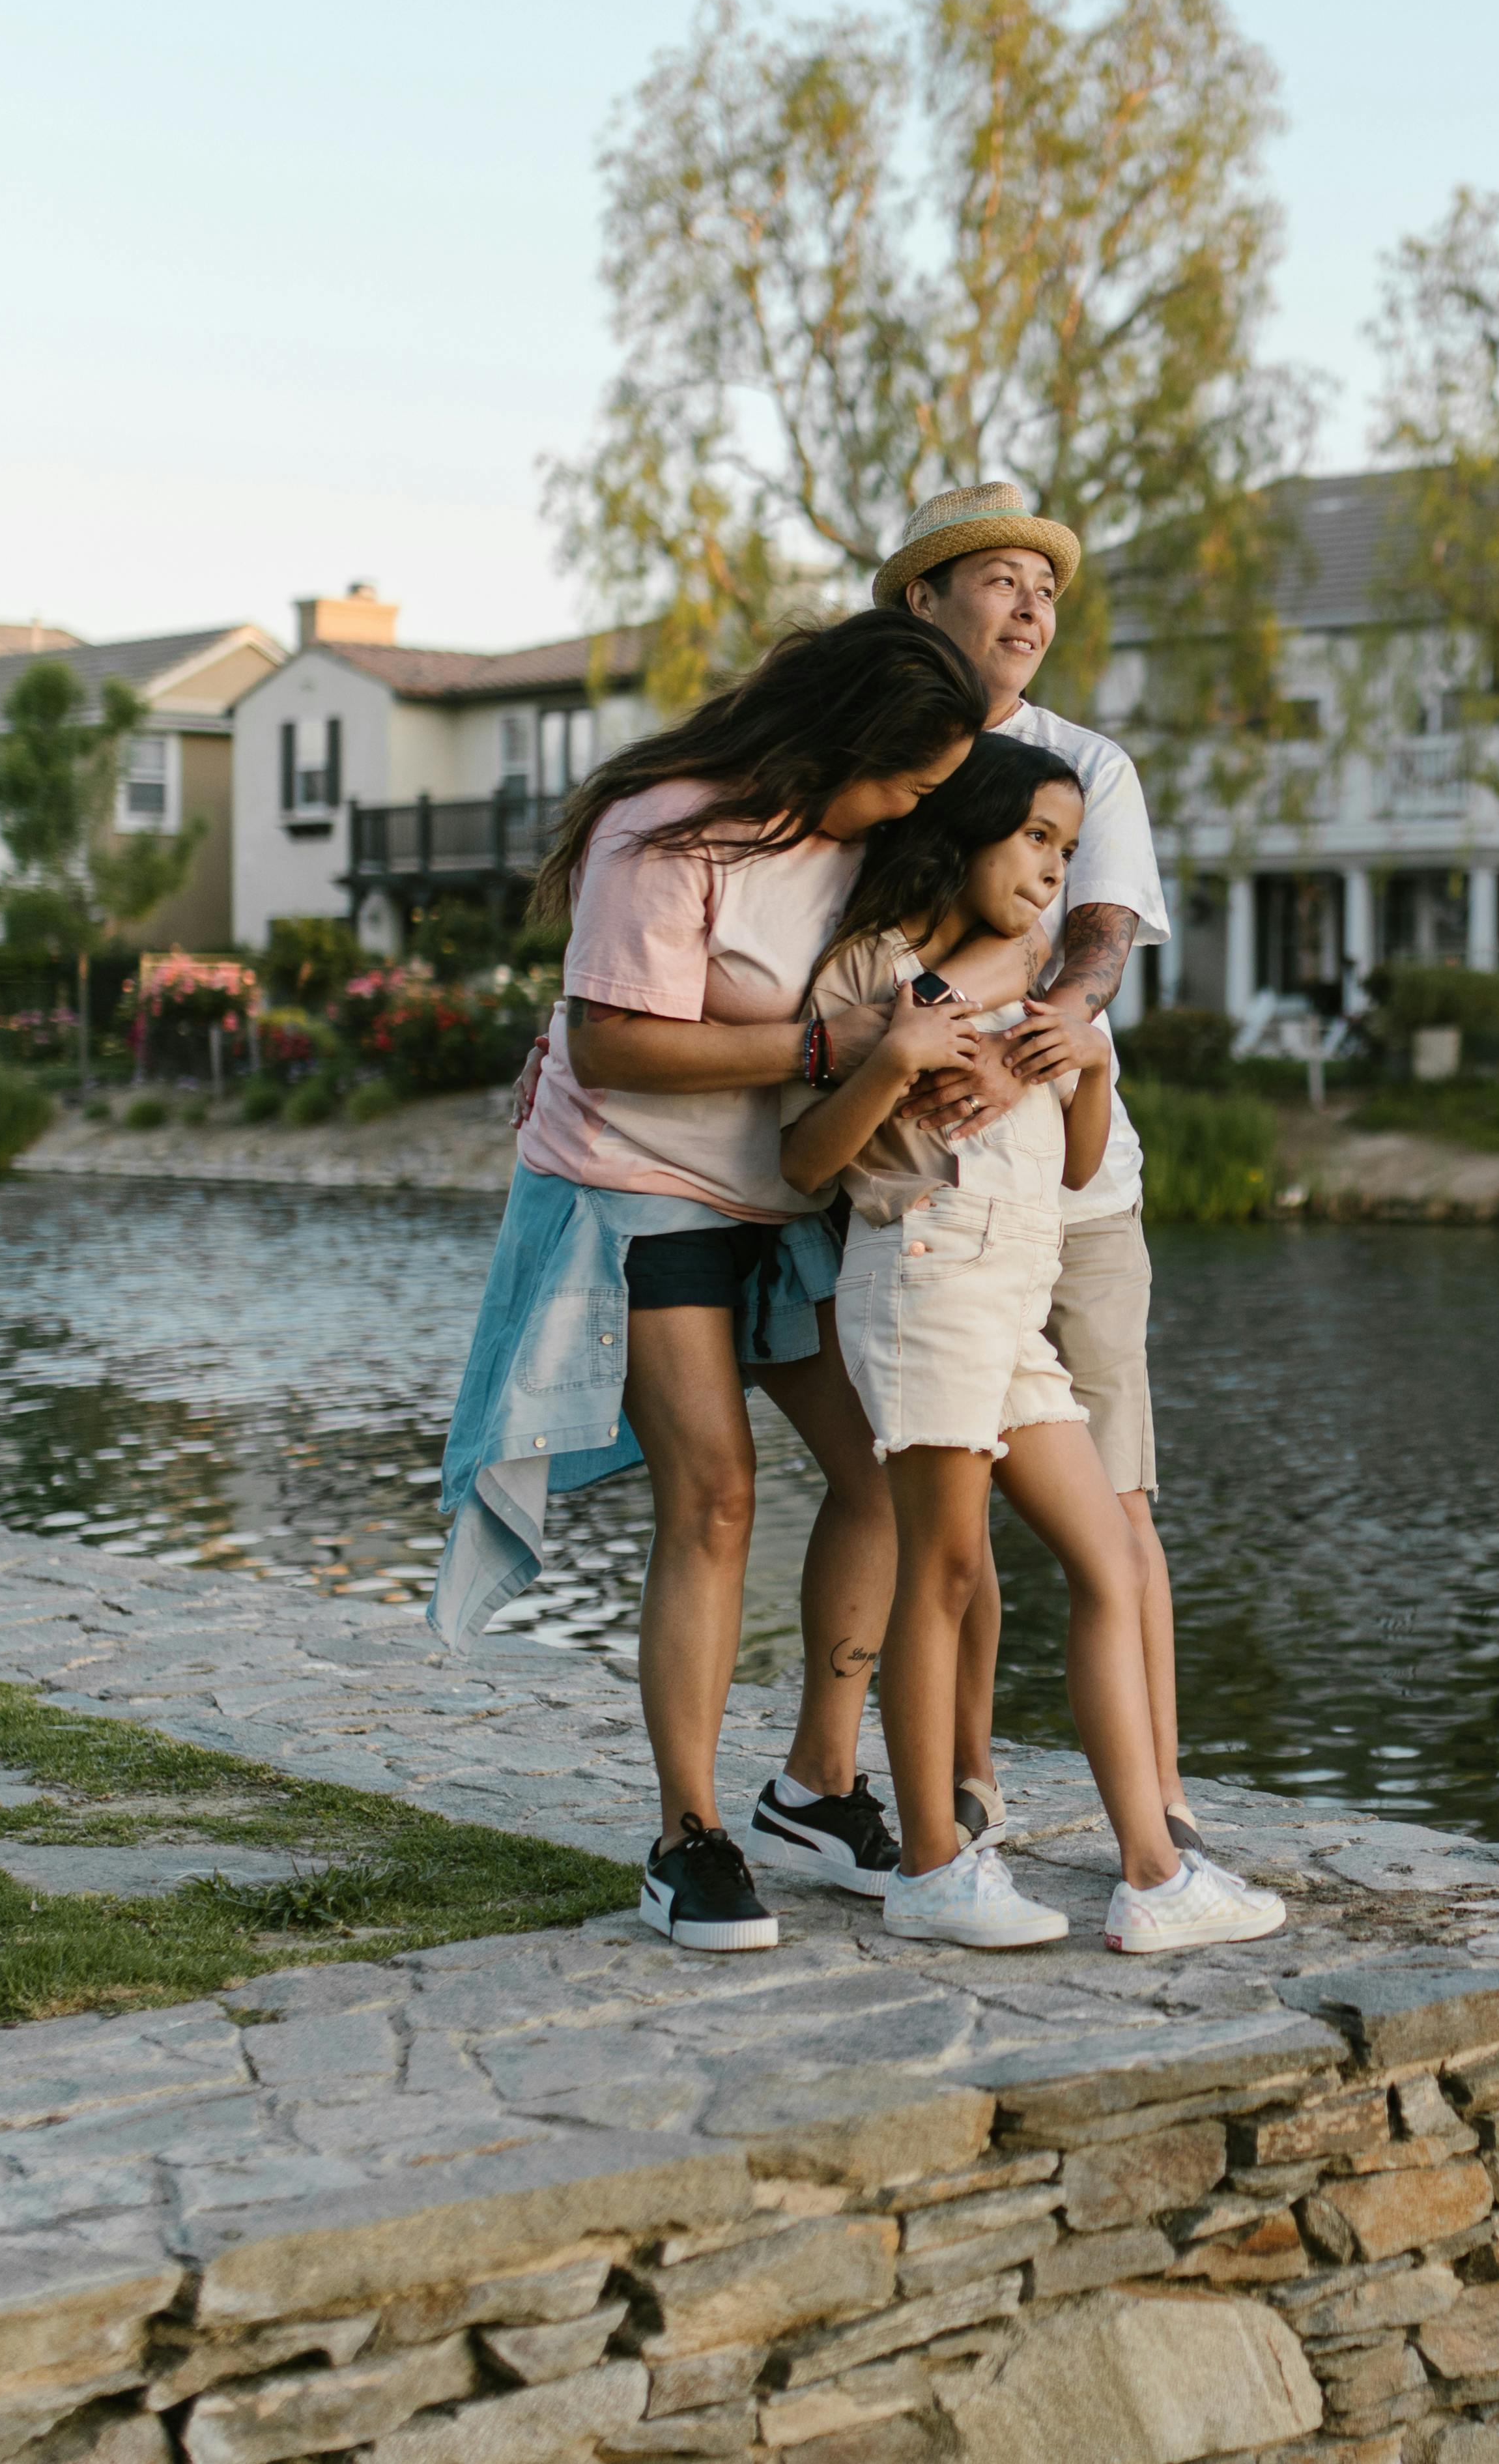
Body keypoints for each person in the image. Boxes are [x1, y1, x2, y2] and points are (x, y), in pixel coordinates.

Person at [427, 610, 981, 1956]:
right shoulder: (664, 831)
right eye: (907, 778)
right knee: (717, 1495)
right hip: (638, 1188)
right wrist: (824, 1047)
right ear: (847, 741)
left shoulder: (868, 845)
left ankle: (811, 1785)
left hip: (785, 1191)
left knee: (880, 1478)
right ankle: (686, 1840)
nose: (920, 804)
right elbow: (612, 1045)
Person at [752, 484, 1204, 1890]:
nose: (1028, 608)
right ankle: (944, 1799)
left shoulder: (1082, 763)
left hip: (1071, 1192)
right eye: (997, 580)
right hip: (921, 1207)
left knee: (1109, 1504)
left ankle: (1161, 1819)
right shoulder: (882, 765)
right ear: (921, 604)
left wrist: (1038, 1055)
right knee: (931, 1516)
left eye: (1044, 588)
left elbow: (1096, 941)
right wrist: (913, 1046)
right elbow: (855, 961)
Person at [778, 734, 1285, 1953]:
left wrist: (1090, 1061)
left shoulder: (1045, 984)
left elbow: (1065, 1165)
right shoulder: (874, 970)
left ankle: (1155, 1880)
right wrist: (894, 1056)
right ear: (965, 837)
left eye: (1067, 848)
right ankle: (933, 1871)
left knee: (1111, 1560)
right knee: (942, 1571)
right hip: (924, 1277)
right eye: (1035, 840)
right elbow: (802, 1161)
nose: (1055, 869)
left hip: (1017, 1293)